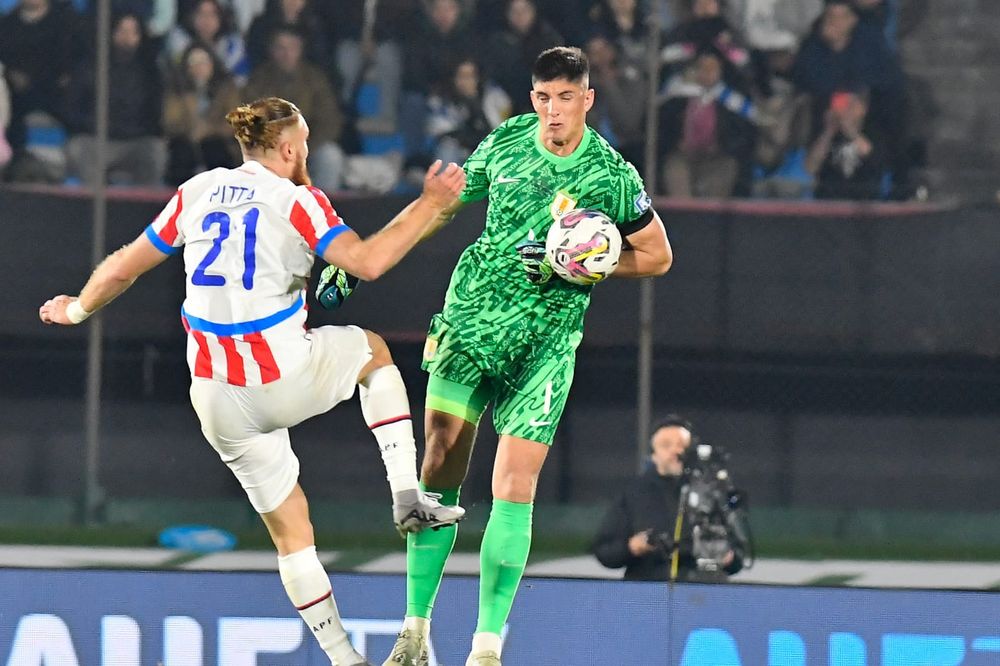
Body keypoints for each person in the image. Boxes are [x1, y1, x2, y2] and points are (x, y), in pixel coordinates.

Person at [39, 96, 466, 665]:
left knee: (291, 534)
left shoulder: (197, 191)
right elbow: (367, 262)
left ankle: (344, 660)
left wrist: (75, 309)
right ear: (288, 148)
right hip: (282, 374)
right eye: (305, 144)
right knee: (374, 353)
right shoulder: (298, 201)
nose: (307, 153)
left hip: (216, 399)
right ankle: (407, 497)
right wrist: (430, 203)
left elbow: (124, 266)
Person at [381, 46, 672, 666]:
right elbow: (445, 205)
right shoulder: (507, 140)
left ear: (587, 99)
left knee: (514, 484)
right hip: (472, 322)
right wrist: (367, 259)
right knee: (438, 461)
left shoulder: (612, 175)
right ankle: (415, 630)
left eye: (566, 98)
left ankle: (486, 647)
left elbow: (657, 256)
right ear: (532, 98)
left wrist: (589, 264)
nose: (553, 110)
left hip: (546, 343)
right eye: (543, 98)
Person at [592, 415, 746, 582]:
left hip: (703, 589)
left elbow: (740, 555)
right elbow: (605, 551)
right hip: (648, 589)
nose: (676, 451)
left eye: (683, 446)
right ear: (653, 454)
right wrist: (631, 548)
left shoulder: (713, 491)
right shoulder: (634, 492)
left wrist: (726, 557)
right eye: (666, 445)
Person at [63, 12, 167, 187]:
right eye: (122, 31)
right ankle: (92, 201)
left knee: (155, 151)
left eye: (132, 32)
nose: (127, 37)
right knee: (77, 148)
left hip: (136, 140)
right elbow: (72, 108)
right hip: (96, 139)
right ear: (112, 33)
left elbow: (156, 113)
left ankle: (144, 203)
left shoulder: (150, 72)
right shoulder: (90, 66)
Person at [243, 26, 346, 193]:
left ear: (301, 49)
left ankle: (322, 206)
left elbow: (329, 120)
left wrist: (303, 147)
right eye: (281, 48)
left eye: (292, 47)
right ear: (272, 50)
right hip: (270, 148)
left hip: (309, 145)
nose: (287, 53)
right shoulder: (259, 79)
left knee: (330, 156)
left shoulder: (315, 78)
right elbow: (251, 120)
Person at [162, 43, 241, 184]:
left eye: (204, 62)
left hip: (219, 142)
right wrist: (191, 126)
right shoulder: (177, 90)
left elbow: (235, 121)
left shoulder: (227, 88)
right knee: (180, 153)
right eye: (194, 63)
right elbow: (171, 121)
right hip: (186, 142)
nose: (200, 68)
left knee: (216, 150)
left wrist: (209, 129)